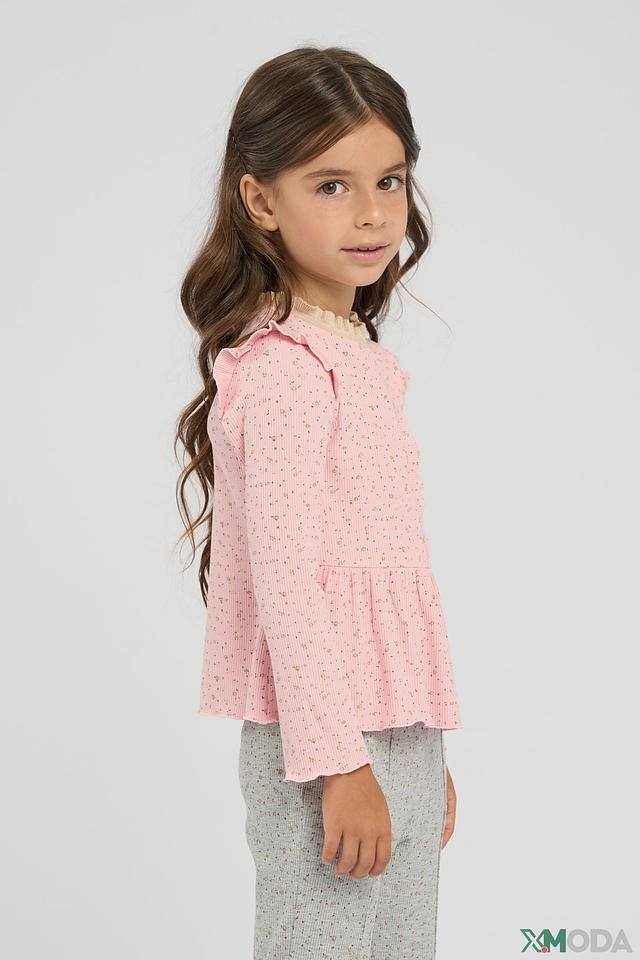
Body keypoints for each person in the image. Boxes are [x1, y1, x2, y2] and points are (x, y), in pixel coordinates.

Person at [176, 43, 462, 960]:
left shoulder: (359, 359)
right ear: (261, 200)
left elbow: (388, 578)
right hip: (323, 750)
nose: (373, 212)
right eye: (331, 185)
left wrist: (424, 753)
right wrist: (343, 765)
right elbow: (291, 588)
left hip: (397, 738)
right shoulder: (284, 372)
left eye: (390, 180)